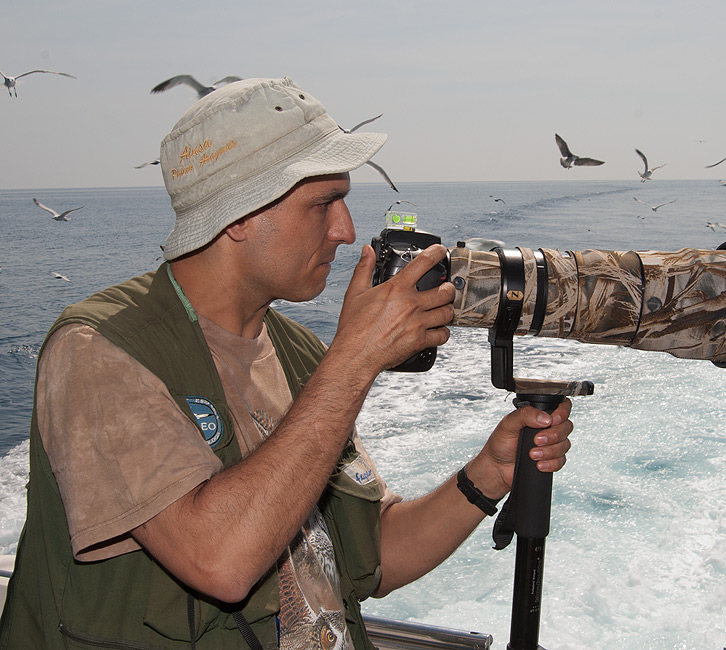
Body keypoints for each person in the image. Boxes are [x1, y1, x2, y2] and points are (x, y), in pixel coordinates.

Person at [0, 77, 573, 650]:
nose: (346, 231)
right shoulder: (99, 351)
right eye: (323, 204)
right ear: (238, 215)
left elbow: (372, 557)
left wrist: (487, 474)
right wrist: (355, 358)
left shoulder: (298, 352)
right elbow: (220, 560)